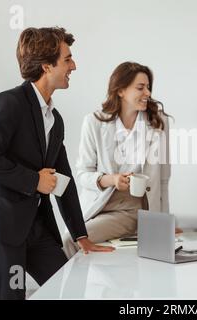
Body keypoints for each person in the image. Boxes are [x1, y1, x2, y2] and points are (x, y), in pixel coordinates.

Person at [0, 27, 113, 300]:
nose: (73, 66)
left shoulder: (55, 120)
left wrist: (81, 235)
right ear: (46, 65)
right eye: (67, 59)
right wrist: (35, 180)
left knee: (71, 289)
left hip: (35, 227)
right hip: (1, 226)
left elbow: (64, 180)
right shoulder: (6, 104)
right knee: (13, 297)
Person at [63, 62, 171, 258]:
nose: (147, 92)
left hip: (131, 208)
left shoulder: (158, 123)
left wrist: (165, 224)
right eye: (140, 87)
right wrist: (111, 180)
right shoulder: (94, 122)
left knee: (70, 240)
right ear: (121, 90)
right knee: (68, 240)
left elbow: (163, 180)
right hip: (98, 203)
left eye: (148, 87)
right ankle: (76, 287)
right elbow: (82, 174)